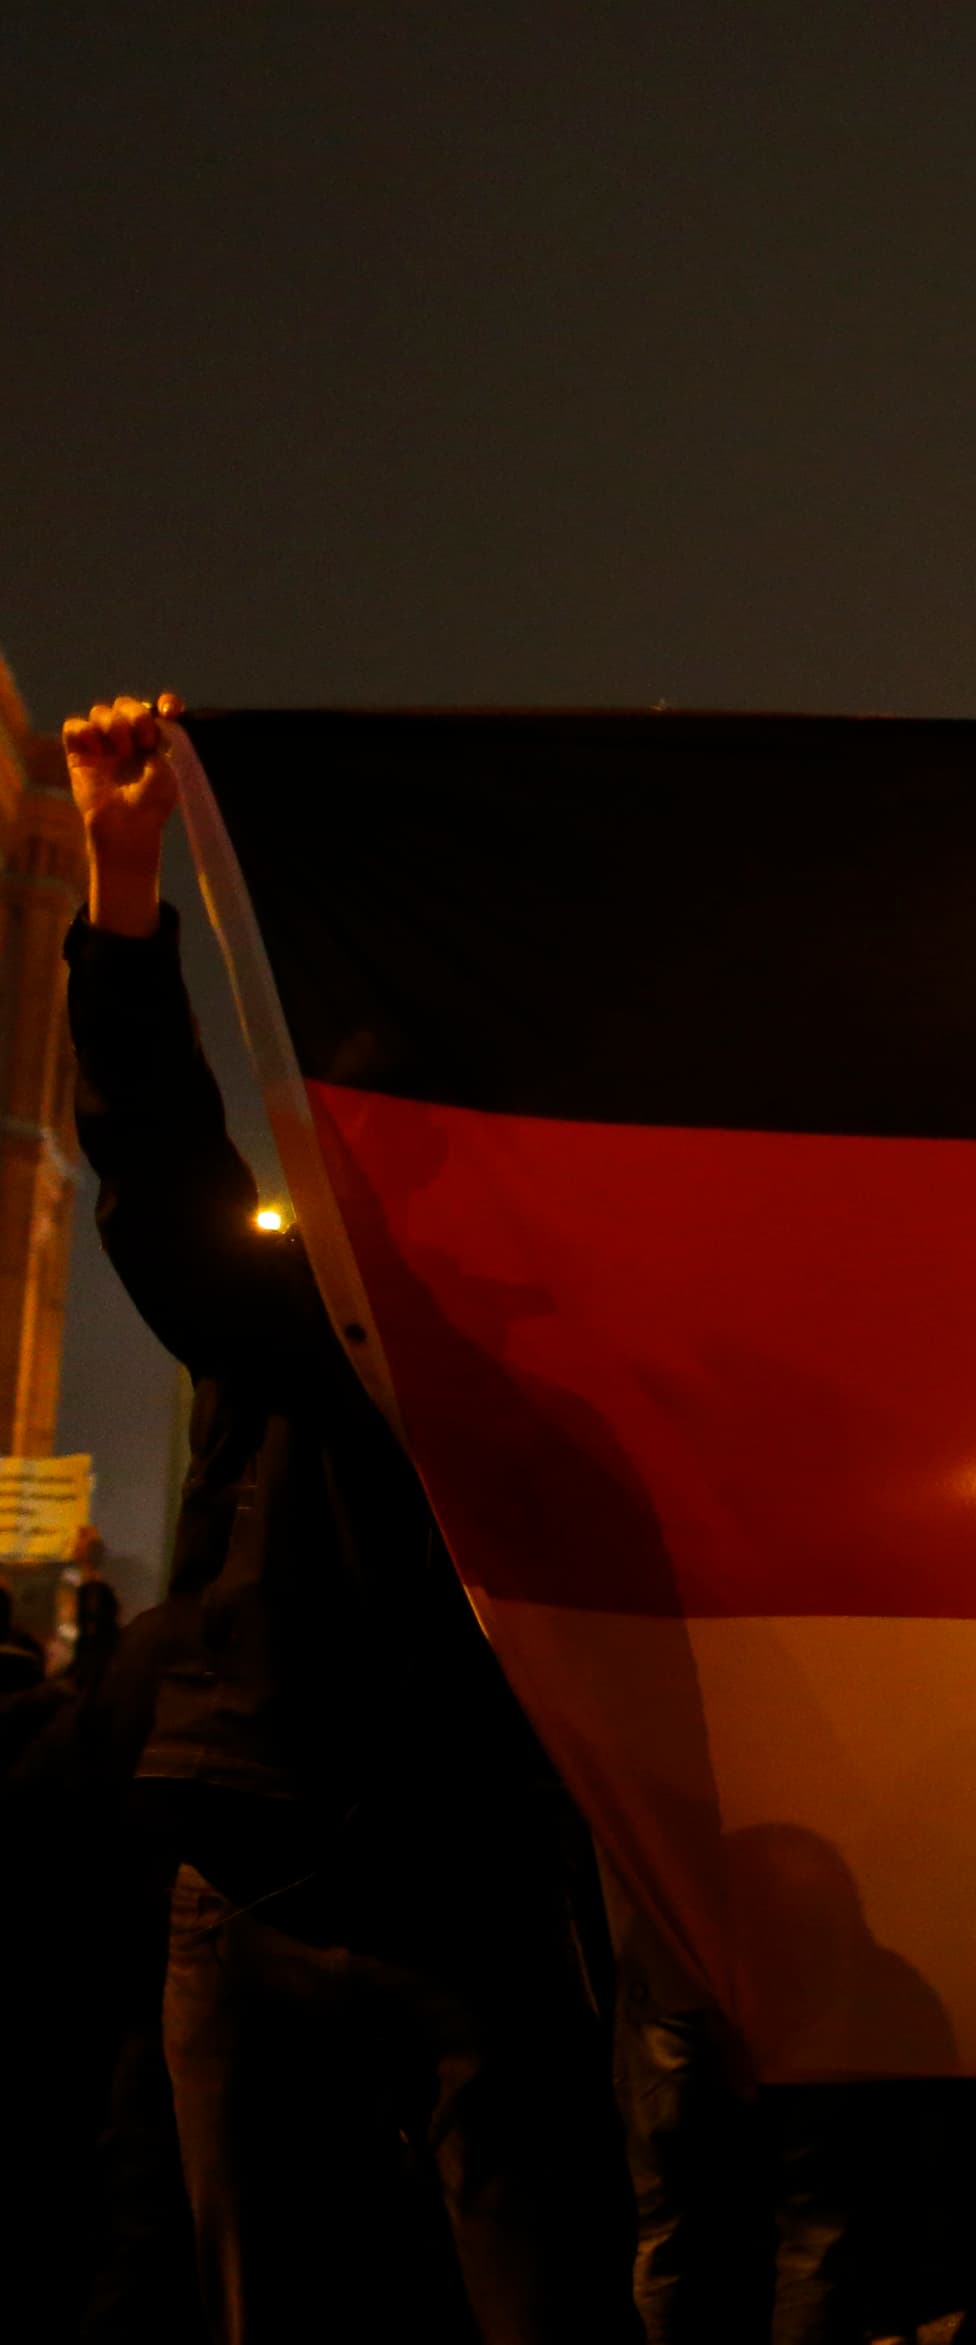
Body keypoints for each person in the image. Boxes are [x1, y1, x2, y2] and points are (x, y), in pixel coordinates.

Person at [59, 693, 632, 2345]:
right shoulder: (299, 1319)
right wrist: (123, 871)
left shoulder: (559, 1369)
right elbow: (159, 1162)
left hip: (467, 1886)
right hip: (264, 1880)